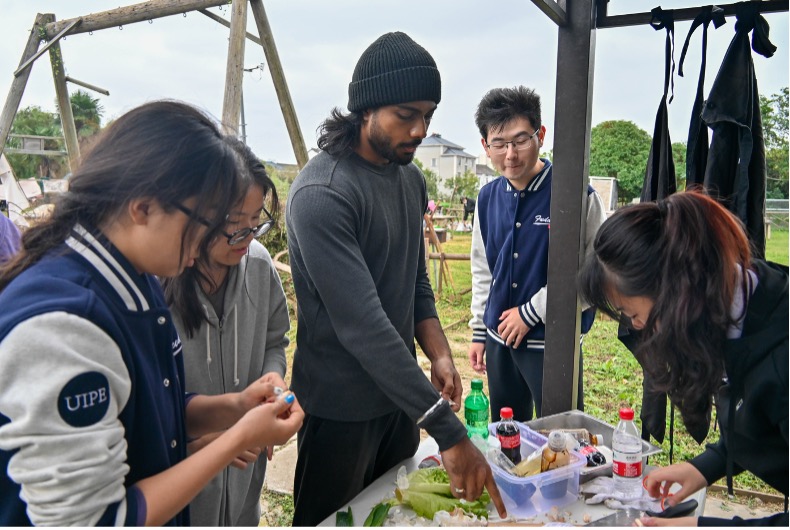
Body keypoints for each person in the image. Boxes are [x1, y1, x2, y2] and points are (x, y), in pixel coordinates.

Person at [0, 100, 304, 526]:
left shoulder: (136, 280)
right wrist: (238, 437)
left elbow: (152, 411)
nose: (208, 242)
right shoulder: (62, 328)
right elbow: (97, 520)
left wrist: (234, 406)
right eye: (204, 223)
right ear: (142, 207)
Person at [286, 31, 505, 525]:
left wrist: (440, 352)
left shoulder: (410, 179)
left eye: (428, 115)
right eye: (406, 115)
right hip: (339, 410)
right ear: (365, 109)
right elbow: (363, 325)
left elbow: (415, 281)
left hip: (400, 402)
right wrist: (448, 431)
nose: (420, 129)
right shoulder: (323, 193)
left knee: (394, 517)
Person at [578, 191, 788, 527]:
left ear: (678, 295)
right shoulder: (739, 299)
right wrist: (704, 467)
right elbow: (753, 414)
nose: (637, 326)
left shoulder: (781, 358)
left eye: (633, 313)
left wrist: (699, 526)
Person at [162, 137, 289, 526]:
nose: (247, 238)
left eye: (255, 223)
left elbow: (275, 340)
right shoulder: (159, 282)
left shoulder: (259, 266)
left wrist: (273, 382)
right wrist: (203, 444)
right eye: (234, 225)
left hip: (244, 488)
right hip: (177, 499)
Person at [468, 86, 606, 422]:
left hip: (553, 344)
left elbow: (597, 274)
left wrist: (532, 312)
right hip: (499, 342)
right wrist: (478, 331)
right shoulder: (487, 198)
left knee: (560, 437)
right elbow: (484, 270)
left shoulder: (577, 196)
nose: (510, 154)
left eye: (520, 140)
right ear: (486, 146)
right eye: (499, 144)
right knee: (506, 435)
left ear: (540, 135)